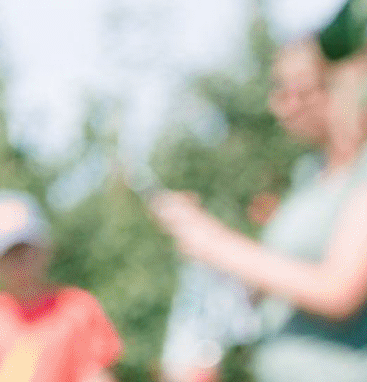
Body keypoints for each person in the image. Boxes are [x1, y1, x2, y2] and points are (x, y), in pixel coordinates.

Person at [153, 49, 367, 381]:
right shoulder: (309, 174)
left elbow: (339, 290)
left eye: (291, 90)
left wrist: (215, 243)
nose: (278, 105)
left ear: (337, 85)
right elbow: (283, 285)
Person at [0, 189, 121, 382]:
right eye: (7, 252)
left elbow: (95, 376)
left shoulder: (78, 309)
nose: (19, 260)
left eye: (24, 248)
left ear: (45, 247)